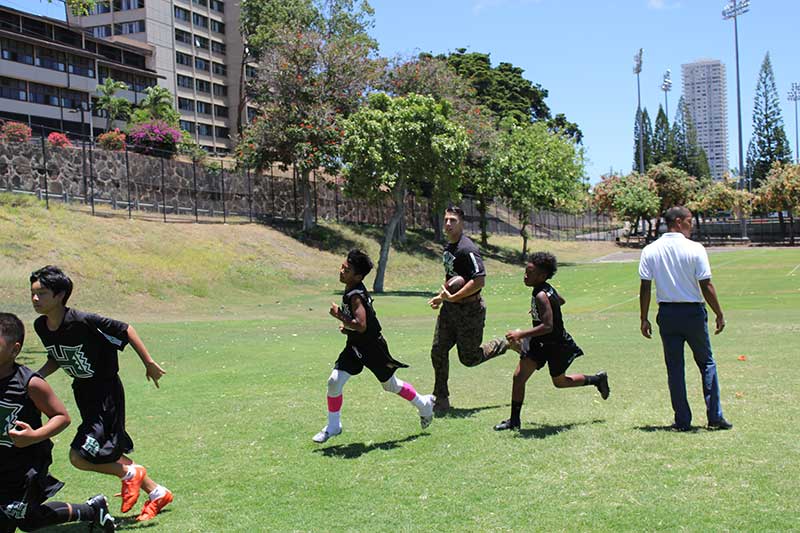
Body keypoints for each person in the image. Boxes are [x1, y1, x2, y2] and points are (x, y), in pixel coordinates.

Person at [29, 266, 173, 522]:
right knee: (107, 451)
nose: (35, 299)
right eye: (33, 294)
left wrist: (148, 362)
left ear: (60, 295)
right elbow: (58, 357)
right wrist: (35, 377)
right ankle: (157, 493)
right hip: (83, 392)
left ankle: (131, 474)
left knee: (79, 456)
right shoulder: (41, 326)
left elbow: (125, 329)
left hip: (106, 393)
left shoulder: (83, 321)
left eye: (42, 293)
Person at [0, 312, 116, 533]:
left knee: (8, 519)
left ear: (14, 350)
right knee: (29, 519)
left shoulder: (30, 383)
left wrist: (33, 436)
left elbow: (62, 417)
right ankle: (93, 510)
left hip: (24, 465)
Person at [313, 249, 435, 443]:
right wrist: (347, 328)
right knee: (334, 381)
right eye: (342, 266)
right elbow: (358, 325)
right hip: (355, 346)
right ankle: (334, 425)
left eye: (347, 269)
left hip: (372, 348)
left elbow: (361, 325)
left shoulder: (356, 296)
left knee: (391, 385)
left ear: (358, 276)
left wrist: (340, 316)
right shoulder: (351, 289)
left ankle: (424, 405)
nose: (341, 270)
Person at [638, 206, 732, 431]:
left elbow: (645, 286)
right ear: (678, 222)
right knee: (707, 363)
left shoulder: (650, 250)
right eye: (689, 221)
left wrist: (644, 317)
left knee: (675, 368)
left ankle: (682, 421)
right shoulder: (695, 248)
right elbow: (706, 284)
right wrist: (719, 312)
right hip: (692, 313)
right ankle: (715, 417)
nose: (692, 225)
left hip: (667, 314)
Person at [494, 253, 609, 431]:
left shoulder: (541, 295)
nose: (525, 275)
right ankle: (514, 421)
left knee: (560, 382)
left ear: (541, 276)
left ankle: (597, 379)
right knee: (518, 378)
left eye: (529, 273)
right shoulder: (546, 289)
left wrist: (521, 334)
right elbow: (560, 300)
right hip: (539, 344)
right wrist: (539, 311)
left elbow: (548, 326)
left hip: (556, 345)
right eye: (525, 271)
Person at [427, 206, 508, 413]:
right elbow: (451, 278)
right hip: (449, 311)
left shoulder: (467, 248)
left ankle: (507, 343)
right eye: (446, 219)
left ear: (461, 223)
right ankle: (441, 398)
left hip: (470, 311)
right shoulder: (448, 247)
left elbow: (479, 280)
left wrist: (453, 296)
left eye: (453, 220)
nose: (448, 224)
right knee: (438, 350)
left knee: (469, 358)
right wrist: (441, 297)